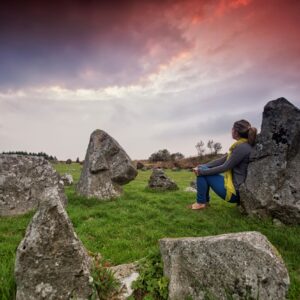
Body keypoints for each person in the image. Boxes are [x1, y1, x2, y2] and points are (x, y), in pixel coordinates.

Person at [189, 119, 257, 210]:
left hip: (234, 192)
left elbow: (225, 167)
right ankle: (204, 202)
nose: (231, 131)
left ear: (235, 132)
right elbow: (221, 160)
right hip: (234, 187)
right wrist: (202, 166)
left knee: (202, 174)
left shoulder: (242, 147)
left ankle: (201, 203)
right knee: (202, 169)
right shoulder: (240, 145)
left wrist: (201, 171)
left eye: (232, 129)